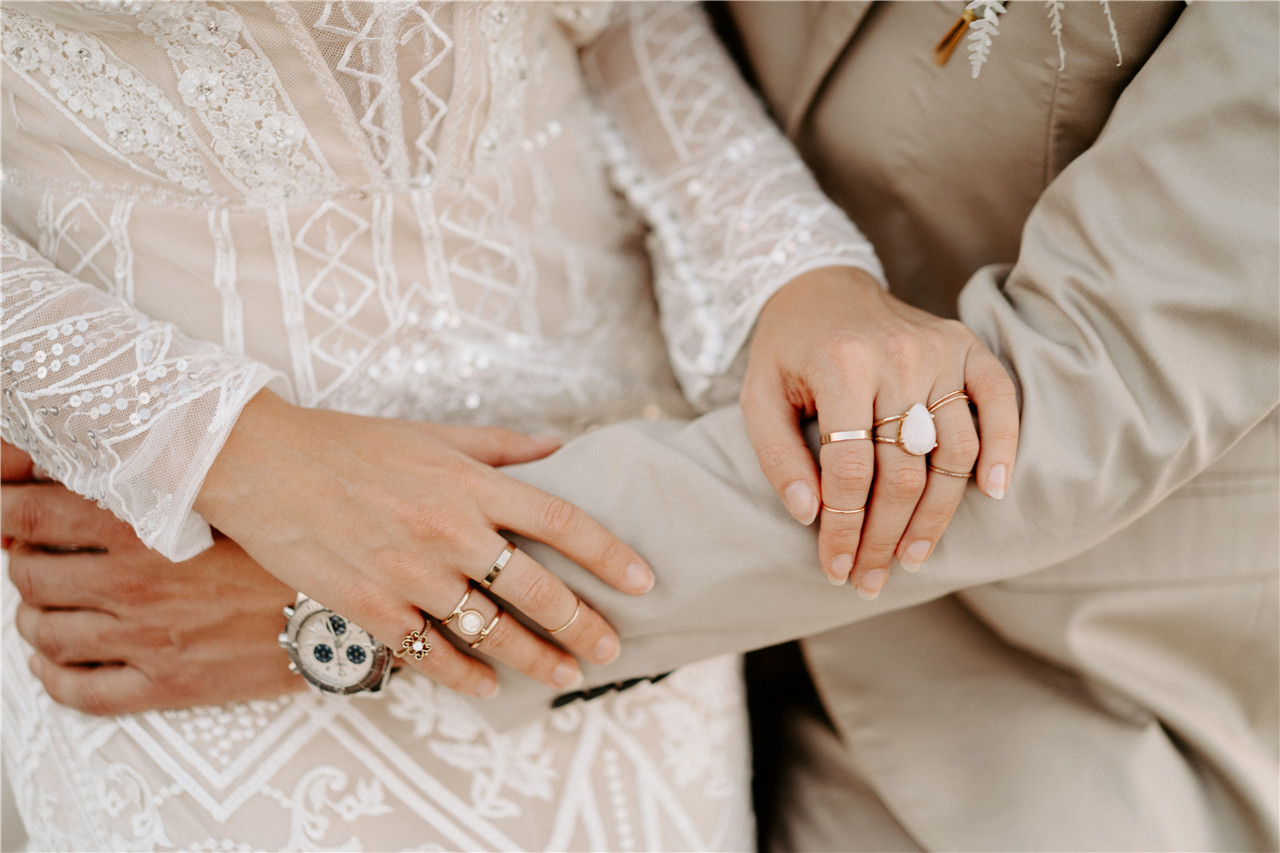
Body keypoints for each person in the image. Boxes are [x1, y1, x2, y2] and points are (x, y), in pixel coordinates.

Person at [10, 0, 1275, 850]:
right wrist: (226, 447)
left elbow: (1084, 391)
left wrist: (361, 608)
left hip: (1008, 699)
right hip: (168, 560)